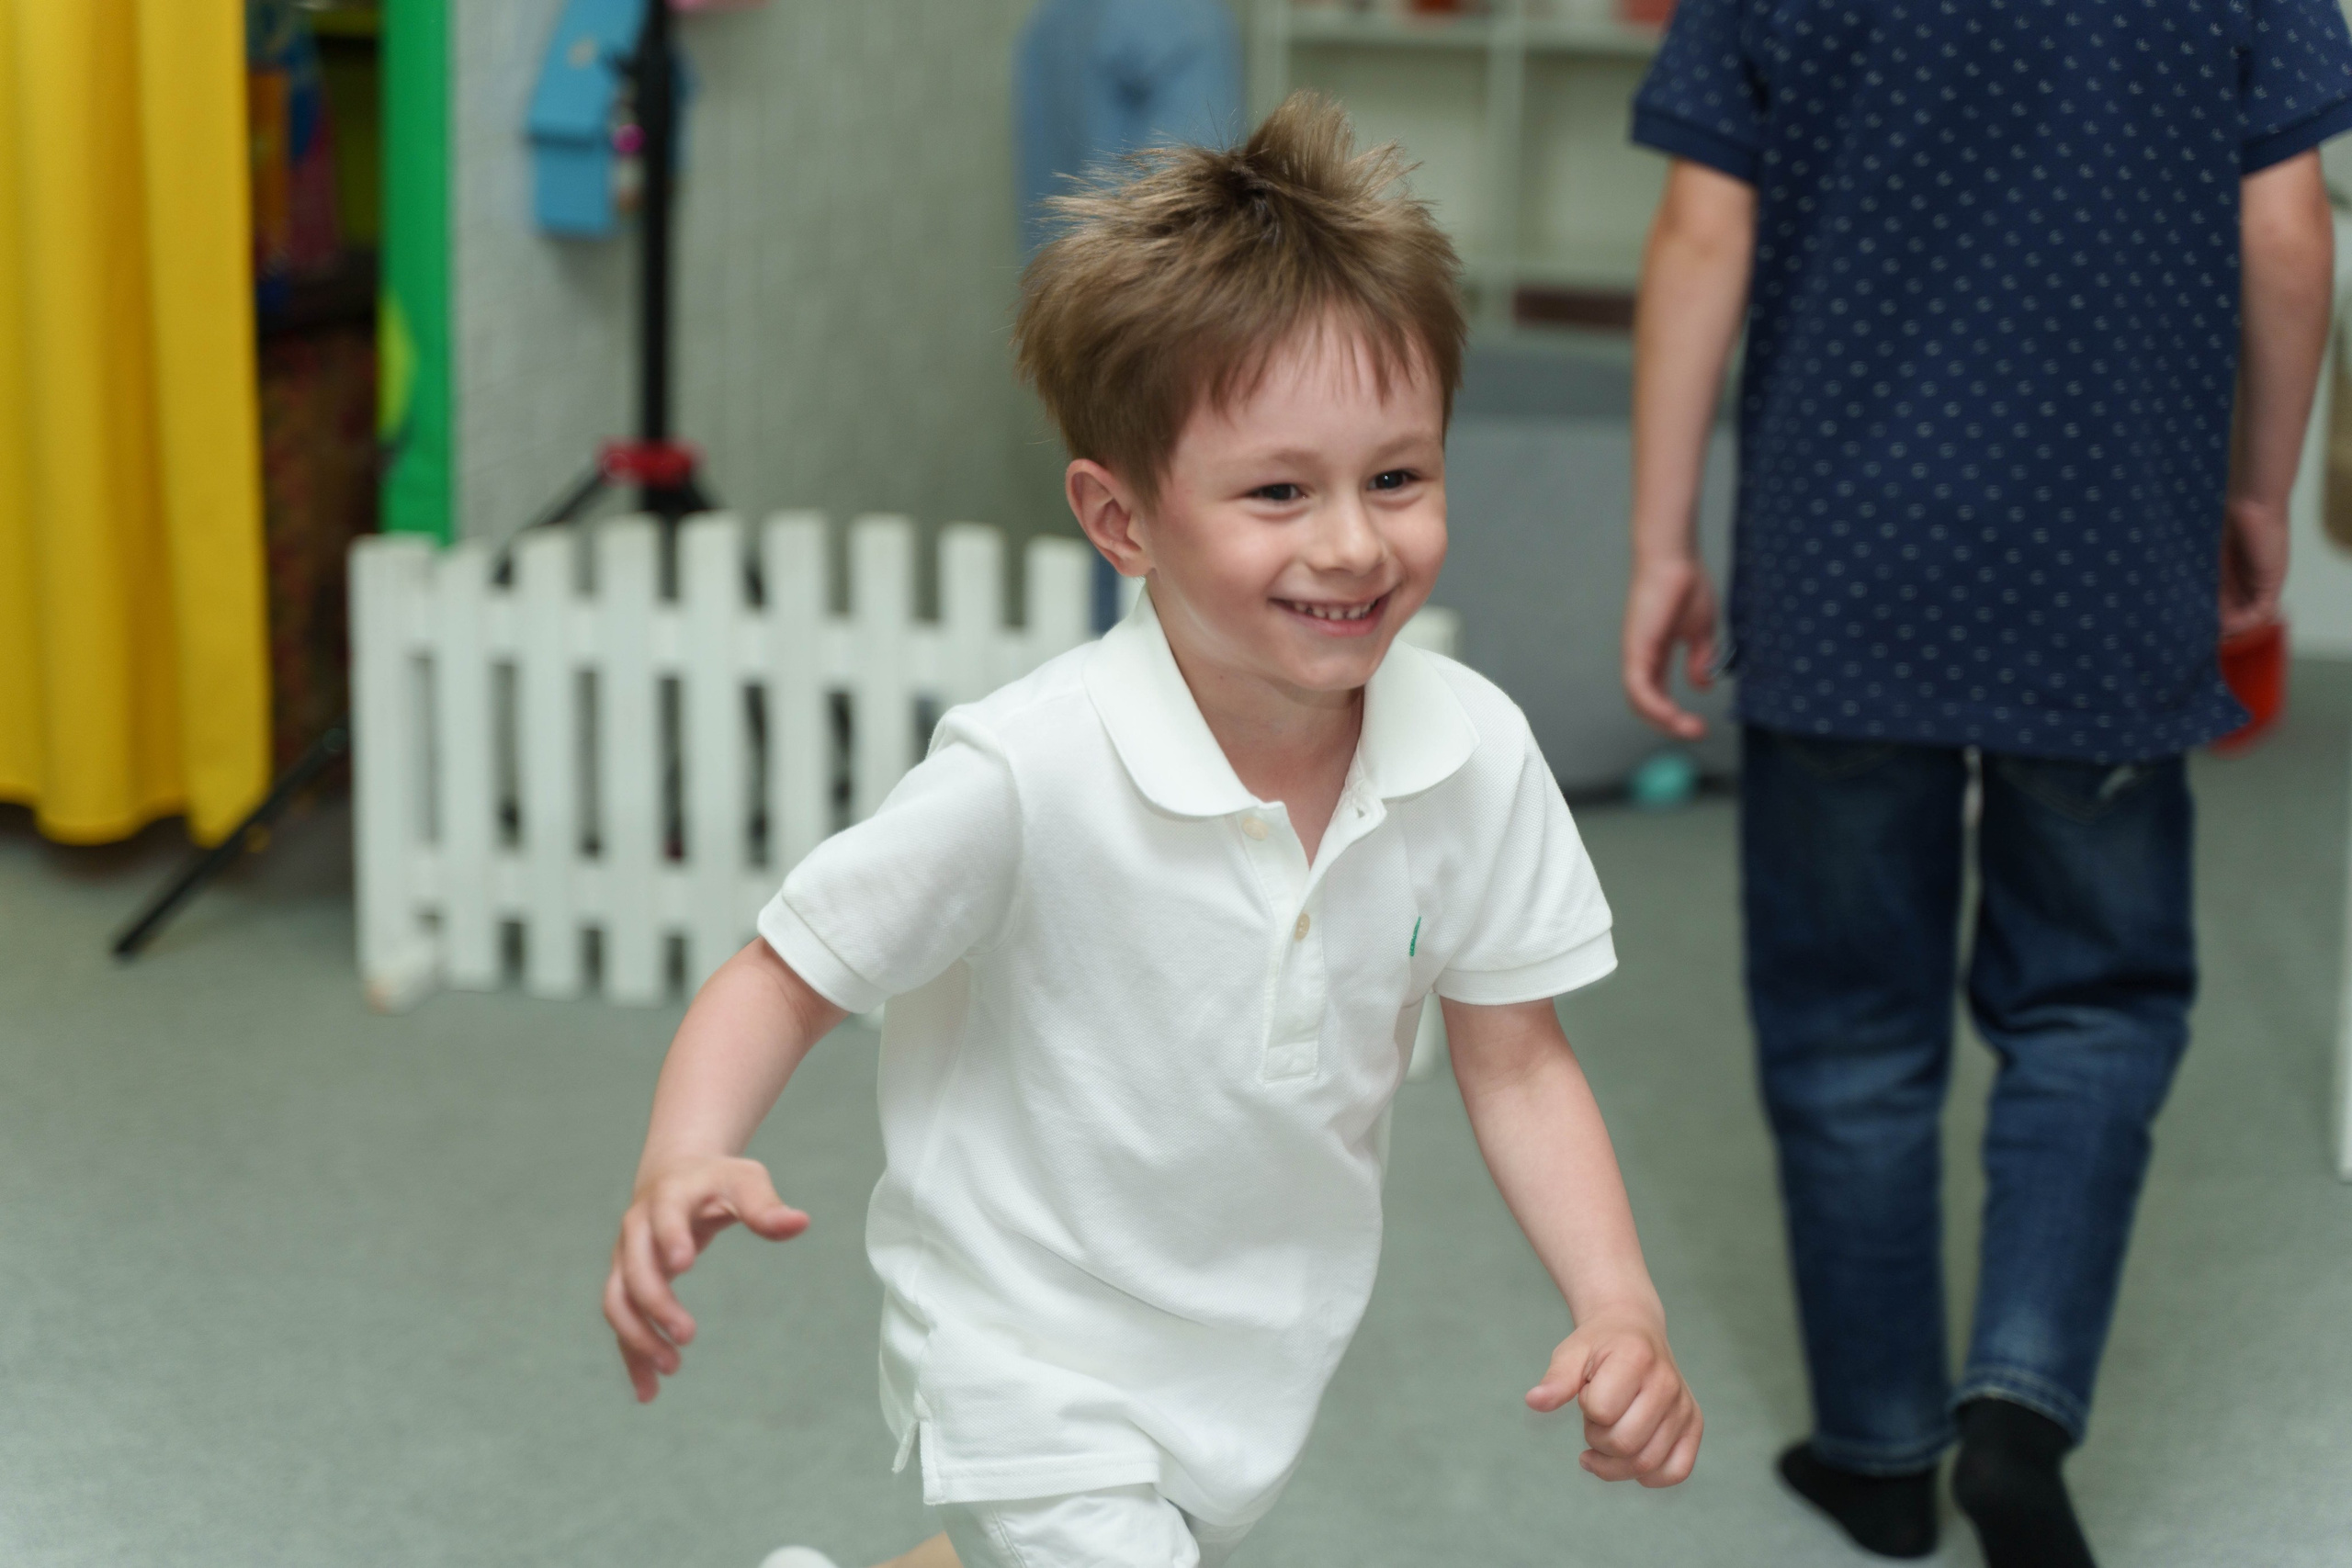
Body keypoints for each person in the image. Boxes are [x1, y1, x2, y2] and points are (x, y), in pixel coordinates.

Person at [604, 94, 1703, 1568]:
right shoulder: (1027, 770)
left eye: (1398, 475)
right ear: (1121, 522)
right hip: (1020, 1334)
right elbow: (782, 972)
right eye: (1276, 493)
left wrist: (1618, 1298)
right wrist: (685, 1154)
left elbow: (1518, 1062)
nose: (1353, 543)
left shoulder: (1475, 754)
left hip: (1248, 1339)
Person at [1623, 5, 2352, 1565]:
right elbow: (2290, 238)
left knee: (1845, 1022)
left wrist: (1664, 539)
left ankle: (1882, 1447)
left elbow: (1699, 233)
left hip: (1840, 575)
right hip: (2108, 573)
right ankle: (2018, 1407)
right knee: (2095, 1001)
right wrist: (2257, 491)